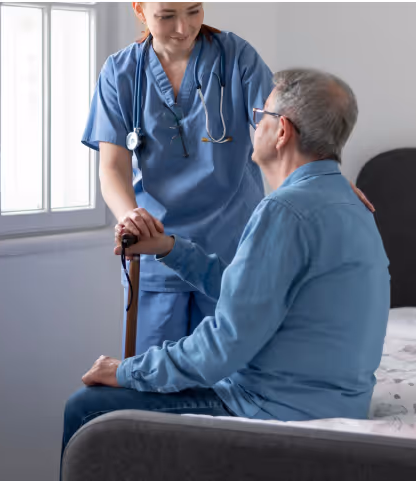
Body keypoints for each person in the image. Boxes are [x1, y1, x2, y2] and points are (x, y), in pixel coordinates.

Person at [62, 68, 391, 457]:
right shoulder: (353, 205)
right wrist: (171, 248)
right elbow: (253, 295)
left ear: (282, 131)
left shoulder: (285, 210)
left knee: (85, 407)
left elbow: (223, 348)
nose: (254, 125)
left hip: (278, 413)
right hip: (336, 405)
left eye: (260, 116)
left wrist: (126, 371)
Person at [82, 2, 274, 356]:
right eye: (167, 16)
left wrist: (319, 180)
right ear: (139, 9)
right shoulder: (121, 72)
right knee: (152, 389)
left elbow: (280, 135)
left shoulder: (237, 58)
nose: (184, 28)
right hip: (155, 248)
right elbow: (112, 167)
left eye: (193, 10)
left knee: (227, 388)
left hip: (229, 251)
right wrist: (129, 215)